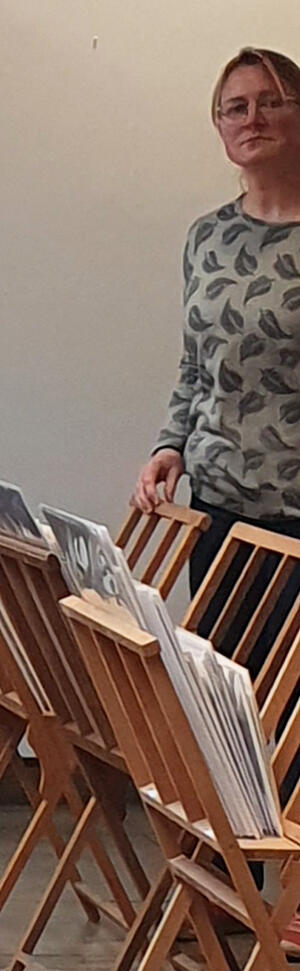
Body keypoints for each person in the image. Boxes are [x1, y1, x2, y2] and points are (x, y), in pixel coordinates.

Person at [135, 47, 300, 584]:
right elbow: (196, 365)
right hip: (215, 510)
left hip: (295, 521)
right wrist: (170, 443)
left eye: (271, 102)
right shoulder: (207, 238)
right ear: (220, 124)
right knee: (215, 669)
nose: (252, 118)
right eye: (236, 107)